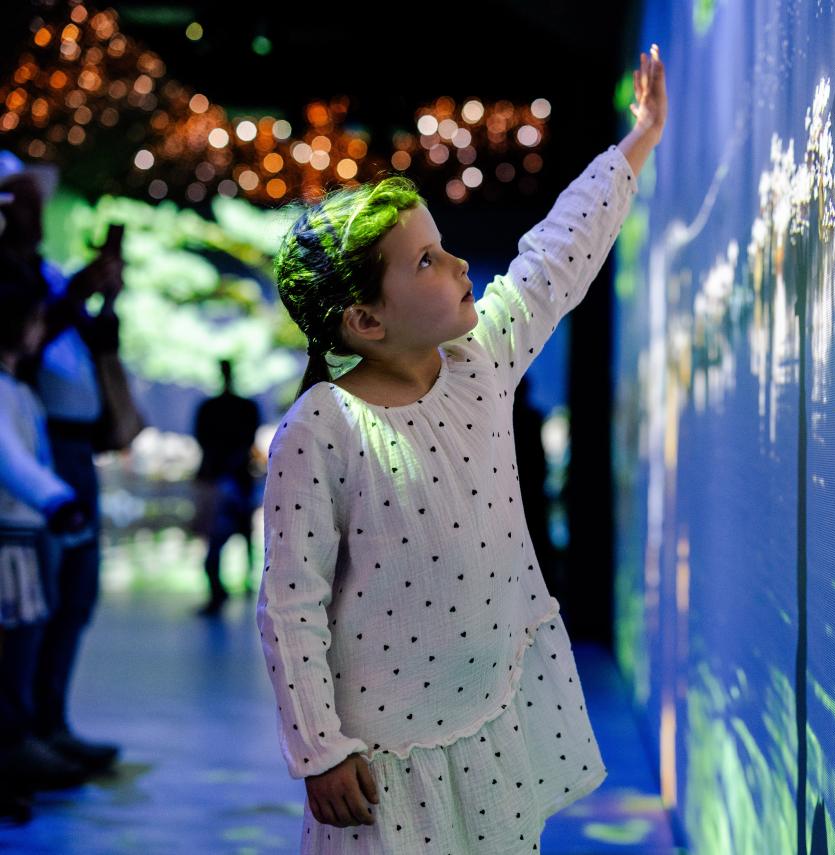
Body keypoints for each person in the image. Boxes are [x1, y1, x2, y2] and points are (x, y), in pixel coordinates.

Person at [256, 44, 665, 853]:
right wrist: (318, 749)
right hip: (381, 762)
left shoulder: (478, 363)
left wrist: (638, 141)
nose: (459, 263)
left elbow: (555, 258)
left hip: (492, 729)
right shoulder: (322, 427)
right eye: (426, 261)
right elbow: (290, 604)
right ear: (365, 322)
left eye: (441, 246)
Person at [0, 149, 124, 774]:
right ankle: (23, 733)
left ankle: (45, 723)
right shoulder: (18, 278)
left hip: (66, 443)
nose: (32, 207)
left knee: (70, 594)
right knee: (36, 602)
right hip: (41, 452)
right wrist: (79, 291)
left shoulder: (40, 273)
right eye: (18, 195)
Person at [0, 258, 95, 823]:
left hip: (21, 535)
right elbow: (9, 460)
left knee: (22, 652)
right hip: (12, 538)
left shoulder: (17, 387)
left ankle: (15, 754)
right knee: (13, 657)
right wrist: (56, 498)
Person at [192, 359, 263, 616]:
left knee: (218, 541)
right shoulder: (243, 408)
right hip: (233, 478)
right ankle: (231, 587)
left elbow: (202, 438)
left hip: (222, 479)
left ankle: (222, 591)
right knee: (233, 537)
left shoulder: (213, 409)